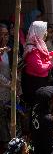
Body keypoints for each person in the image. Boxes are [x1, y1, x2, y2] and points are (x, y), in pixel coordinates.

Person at [21, 21, 53, 106]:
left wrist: (52, 54)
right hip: (36, 83)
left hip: (40, 81)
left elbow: (42, 57)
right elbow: (40, 68)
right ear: (38, 32)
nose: (45, 33)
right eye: (44, 31)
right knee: (39, 106)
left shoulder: (37, 45)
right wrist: (51, 63)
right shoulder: (32, 50)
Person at [0, 23, 12, 152]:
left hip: (10, 89)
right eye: (1, 34)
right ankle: (5, 143)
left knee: (8, 115)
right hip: (2, 89)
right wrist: (10, 84)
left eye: (6, 34)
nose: (4, 37)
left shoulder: (8, 49)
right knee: (2, 117)